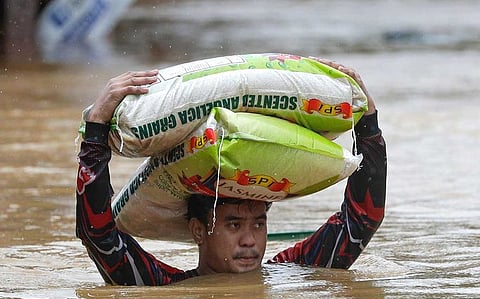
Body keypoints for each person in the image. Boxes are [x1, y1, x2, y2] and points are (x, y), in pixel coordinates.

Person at [76, 60, 387, 286]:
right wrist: (97, 128)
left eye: (259, 223)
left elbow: (360, 220)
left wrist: (366, 119)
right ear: (198, 230)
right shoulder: (165, 287)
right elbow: (98, 235)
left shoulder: (292, 273)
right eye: (234, 224)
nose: (250, 240)